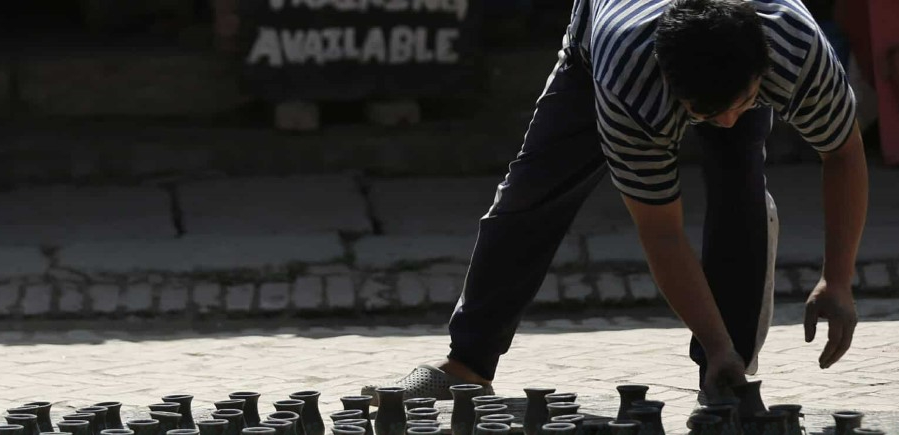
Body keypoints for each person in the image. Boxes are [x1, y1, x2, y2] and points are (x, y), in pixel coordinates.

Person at [363, 0, 867, 404]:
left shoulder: (796, 50)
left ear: (763, 69)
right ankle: (467, 364)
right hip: (601, 43)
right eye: (705, 113)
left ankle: (725, 374)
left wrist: (838, 279)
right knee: (532, 194)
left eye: (741, 104)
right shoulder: (630, 83)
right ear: (672, 88)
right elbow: (662, 230)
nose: (728, 121)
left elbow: (843, 153)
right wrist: (712, 341)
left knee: (741, 189)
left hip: (731, 53)